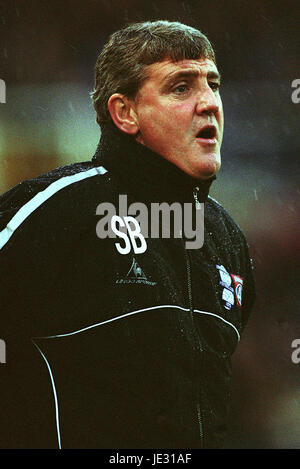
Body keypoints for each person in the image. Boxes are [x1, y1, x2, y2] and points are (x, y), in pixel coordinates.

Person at [0, 20, 255, 449]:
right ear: (126, 113)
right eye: (181, 87)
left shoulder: (226, 238)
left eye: (213, 84)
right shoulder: (58, 210)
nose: (209, 102)